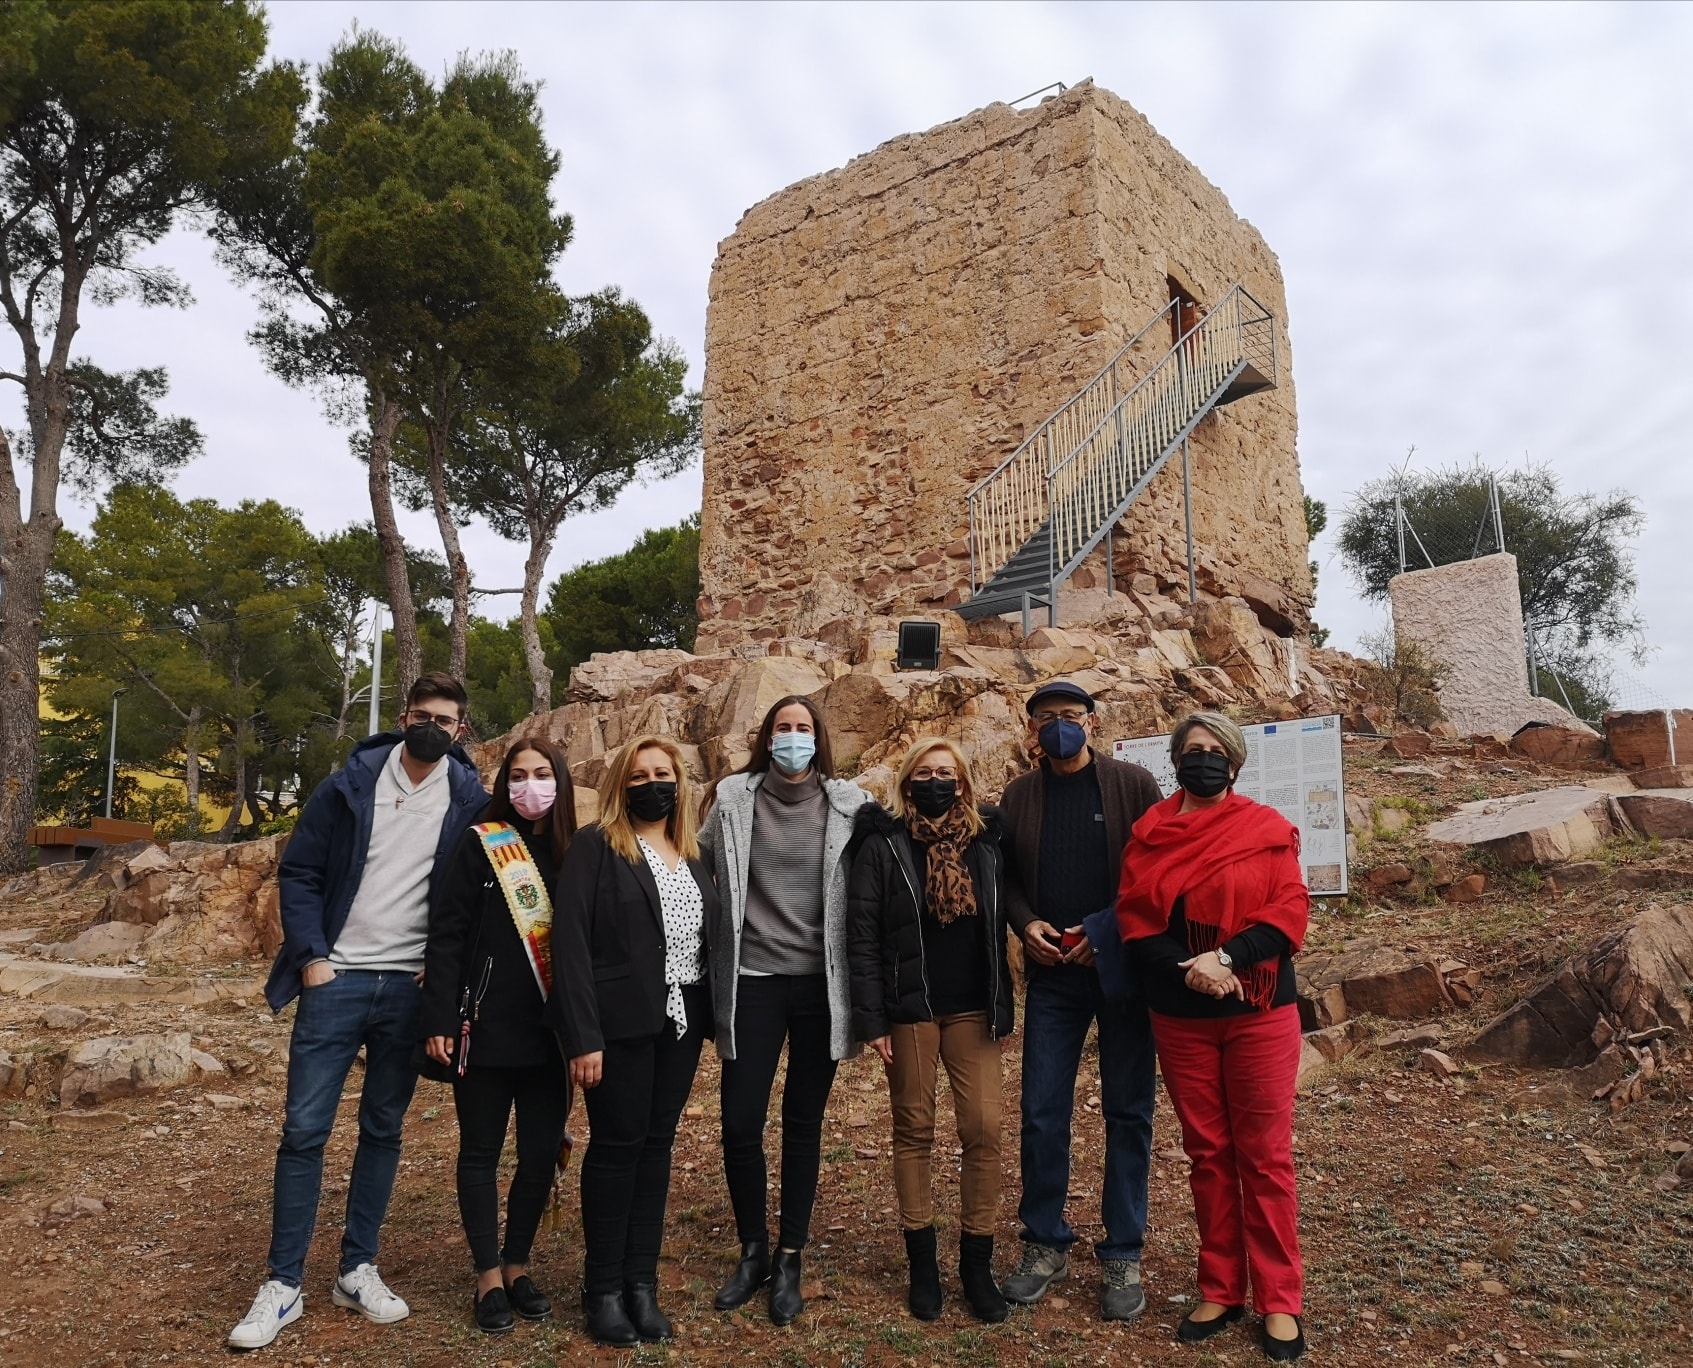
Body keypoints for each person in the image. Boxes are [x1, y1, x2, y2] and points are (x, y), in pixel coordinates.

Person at [230, 673, 488, 1351]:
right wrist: (313, 957)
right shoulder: (348, 785)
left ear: (461, 731)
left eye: (447, 720)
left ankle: (356, 1269)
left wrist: (446, 970)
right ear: (404, 718)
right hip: (337, 978)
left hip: (409, 987)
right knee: (304, 1131)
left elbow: (475, 894)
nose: (433, 727)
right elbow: (301, 872)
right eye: (423, 715)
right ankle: (282, 1285)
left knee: (383, 1128)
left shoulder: (469, 799)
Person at [1118, 711, 1309, 1361]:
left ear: (1233, 763)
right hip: (1181, 1018)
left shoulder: (1264, 830)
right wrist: (1192, 970)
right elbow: (1137, 922)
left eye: (1214, 751)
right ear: (1176, 761)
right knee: (1207, 1155)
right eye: (1191, 750)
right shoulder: (1150, 834)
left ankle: (1279, 1299)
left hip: (1257, 1011)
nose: (1202, 759)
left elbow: (1285, 913)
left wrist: (1224, 961)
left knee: (1264, 1157)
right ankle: (1221, 1287)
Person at [698, 696, 871, 1325]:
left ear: (818, 738)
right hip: (753, 980)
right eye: (782, 728)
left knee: (804, 1121)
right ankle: (752, 1250)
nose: (792, 738)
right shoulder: (732, 799)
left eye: (802, 729)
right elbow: (701, 867)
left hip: (821, 986)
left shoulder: (852, 804)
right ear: (766, 737)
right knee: (741, 1120)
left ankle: (790, 1254)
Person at [997, 680, 1163, 1321]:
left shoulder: (1133, 785)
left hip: (1120, 969)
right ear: (1030, 728)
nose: (1059, 726)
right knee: (1042, 1110)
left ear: (1092, 723)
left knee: (1128, 1111)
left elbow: (1154, 874)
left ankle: (1122, 1250)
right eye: (1046, 718)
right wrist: (1025, 923)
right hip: (1054, 977)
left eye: (1070, 716)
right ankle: (1044, 1242)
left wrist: (1106, 932)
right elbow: (1008, 878)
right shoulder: (1019, 795)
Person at [548, 734, 715, 1347]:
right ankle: (603, 1290)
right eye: (640, 775)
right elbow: (570, 947)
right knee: (617, 1148)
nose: (653, 784)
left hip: (681, 1022)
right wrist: (581, 1037)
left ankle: (641, 1283)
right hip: (615, 1028)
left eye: (662, 773)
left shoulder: (692, 853)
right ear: (622, 784)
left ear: (680, 781)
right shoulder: (597, 847)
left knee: (657, 1148)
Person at [845, 736, 1014, 1325]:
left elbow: (1003, 920)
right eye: (926, 772)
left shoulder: (987, 842)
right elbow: (862, 936)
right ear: (908, 780)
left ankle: (976, 1264)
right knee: (914, 1128)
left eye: (947, 772)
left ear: (963, 782)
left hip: (974, 1007)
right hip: (910, 1008)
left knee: (984, 1128)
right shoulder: (883, 843)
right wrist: (871, 1020)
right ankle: (923, 1265)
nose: (937, 781)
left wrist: (1005, 1005)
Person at [422, 737, 576, 1333]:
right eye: (518, 775)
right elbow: (448, 933)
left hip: (551, 1036)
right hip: (483, 1028)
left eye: (541, 774)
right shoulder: (482, 844)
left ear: (560, 781)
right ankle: (486, 1274)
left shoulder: (576, 852)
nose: (529, 786)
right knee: (480, 1153)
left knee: (540, 1156)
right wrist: (438, 1017)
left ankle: (517, 1264)